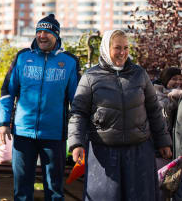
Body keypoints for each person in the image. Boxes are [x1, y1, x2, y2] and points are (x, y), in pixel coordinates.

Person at [68, 29, 172, 201]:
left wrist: (163, 141)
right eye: (117, 47)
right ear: (106, 48)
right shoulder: (90, 77)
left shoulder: (139, 74)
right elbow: (78, 113)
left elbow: (154, 110)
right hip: (104, 153)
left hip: (139, 151)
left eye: (126, 47)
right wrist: (76, 144)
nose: (122, 52)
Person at [0, 14, 79, 201]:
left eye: (47, 32)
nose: (42, 36)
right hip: (23, 133)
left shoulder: (69, 62)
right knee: (22, 190)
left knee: (54, 190)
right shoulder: (22, 57)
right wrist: (3, 122)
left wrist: (77, 136)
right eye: (39, 31)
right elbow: (7, 92)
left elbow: (77, 103)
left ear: (56, 35)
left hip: (54, 135)